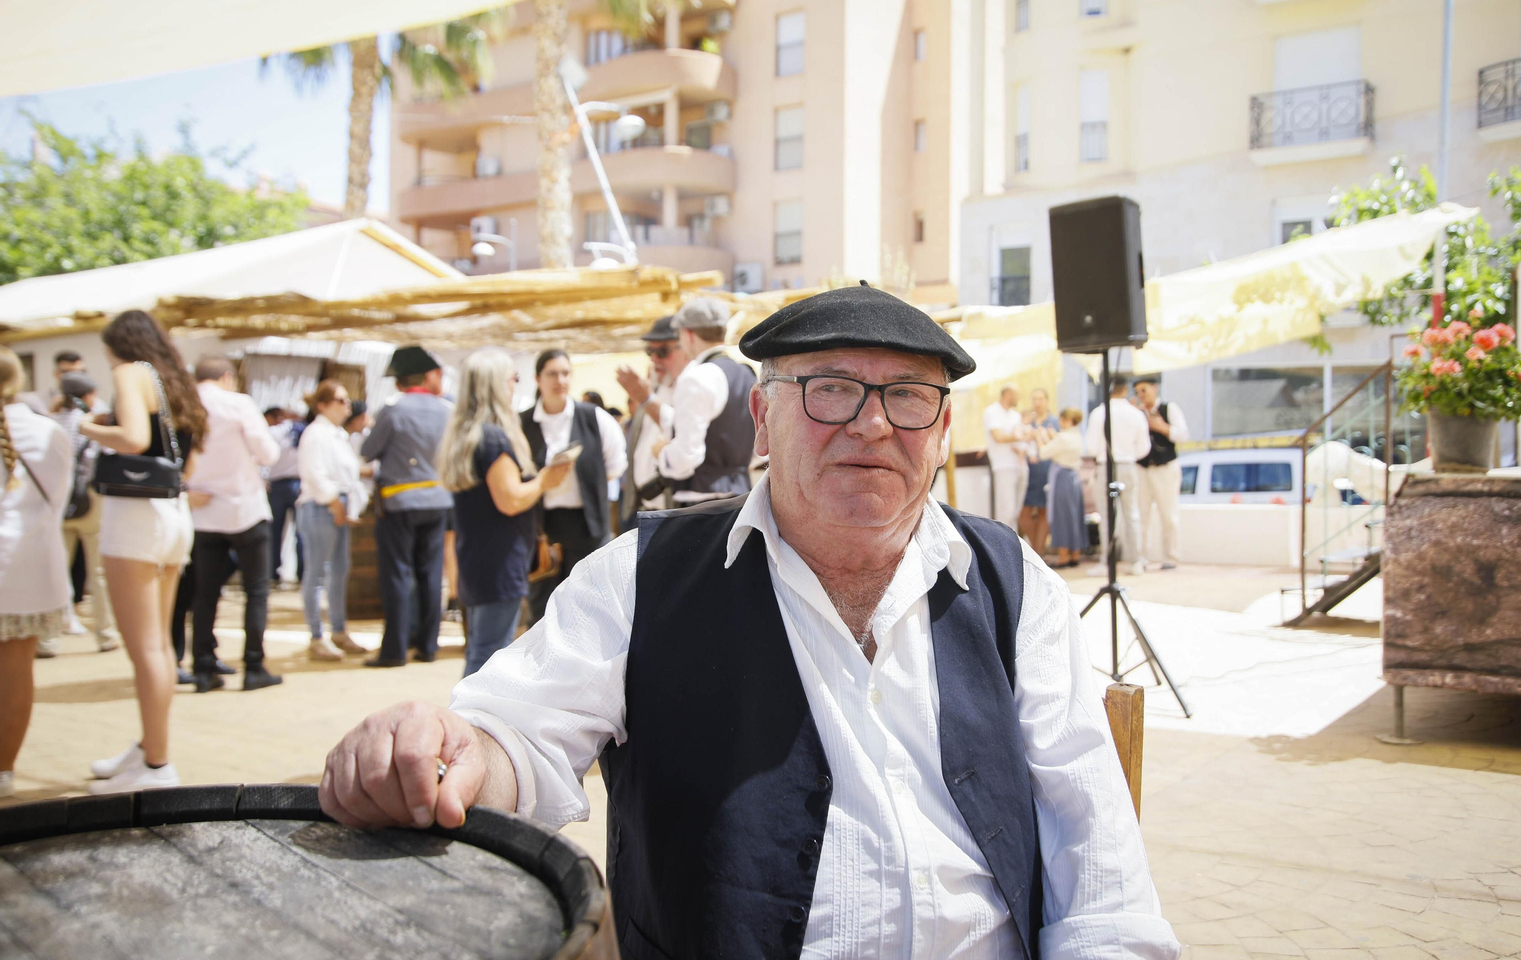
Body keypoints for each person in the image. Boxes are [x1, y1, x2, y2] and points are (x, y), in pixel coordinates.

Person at [319, 282, 1179, 960]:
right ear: (764, 416)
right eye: (831, 389)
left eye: (910, 397)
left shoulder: (1011, 580)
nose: (873, 424)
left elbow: (1097, 869)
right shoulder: (642, 577)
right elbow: (519, 735)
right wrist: (453, 752)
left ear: (943, 428)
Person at [78, 309, 209, 794]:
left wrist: (88, 427)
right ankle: (148, 748)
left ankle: (156, 764)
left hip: (136, 520)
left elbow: (133, 438)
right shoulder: (175, 380)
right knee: (160, 645)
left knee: (148, 648)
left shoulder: (130, 374)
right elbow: (191, 451)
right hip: (174, 514)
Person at [438, 349, 572, 676]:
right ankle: (468, 724)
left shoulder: (467, 435)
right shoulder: (493, 438)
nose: (515, 385)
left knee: (482, 647)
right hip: (498, 560)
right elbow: (510, 499)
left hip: (478, 557)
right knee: (488, 654)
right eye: (513, 378)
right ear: (497, 385)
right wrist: (544, 480)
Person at [0, 345, 74, 800]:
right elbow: (59, 503)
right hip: (28, 570)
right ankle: (4, 770)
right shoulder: (48, 431)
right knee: (15, 672)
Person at [184, 357, 283, 692]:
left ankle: (202, 668)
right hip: (245, 509)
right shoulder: (238, 403)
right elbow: (268, 452)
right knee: (255, 590)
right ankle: (254, 666)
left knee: (205, 594)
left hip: (203, 511)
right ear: (226, 377)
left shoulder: (182, 403)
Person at [518, 349, 627, 623]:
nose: (560, 380)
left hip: (586, 523)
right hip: (542, 525)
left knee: (588, 607)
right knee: (542, 606)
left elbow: (615, 465)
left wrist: (588, 489)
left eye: (565, 373)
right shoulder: (522, 422)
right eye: (552, 373)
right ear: (537, 378)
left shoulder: (594, 417)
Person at [362, 346, 453, 667]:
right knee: (431, 574)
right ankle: (428, 646)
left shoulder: (393, 409)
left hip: (399, 501)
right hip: (439, 500)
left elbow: (369, 450)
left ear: (399, 381)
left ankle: (394, 651)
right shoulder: (447, 409)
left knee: (397, 575)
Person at [650, 297, 756, 506]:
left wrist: (661, 452)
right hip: (742, 497)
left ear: (688, 334)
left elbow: (687, 456)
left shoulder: (695, 377)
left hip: (701, 504)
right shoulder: (746, 373)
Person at [45, 370, 119, 654]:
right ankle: (106, 633)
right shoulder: (90, 422)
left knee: (56, 570)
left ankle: (48, 637)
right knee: (98, 573)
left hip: (57, 503)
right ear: (86, 395)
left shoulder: (51, 422)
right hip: (90, 502)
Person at [297, 380, 369, 662]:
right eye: (341, 400)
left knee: (339, 571)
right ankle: (317, 635)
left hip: (335, 505)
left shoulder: (335, 434)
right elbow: (314, 473)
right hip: (321, 506)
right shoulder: (316, 434)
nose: (346, 405)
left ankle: (338, 630)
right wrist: (334, 502)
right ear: (323, 405)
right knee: (317, 573)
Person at [615, 315, 690, 528]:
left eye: (663, 352)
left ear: (685, 347)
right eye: (651, 352)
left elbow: (680, 432)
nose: (655, 359)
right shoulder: (655, 388)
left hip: (673, 514)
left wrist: (646, 399)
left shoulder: (693, 391)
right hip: (640, 510)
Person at [1083, 375, 1151, 576]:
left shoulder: (1099, 413)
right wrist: (1128, 455)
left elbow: (1092, 446)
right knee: (1132, 513)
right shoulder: (1135, 414)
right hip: (1128, 465)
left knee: (1106, 516)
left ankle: (1106, 561)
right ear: (1125, 390)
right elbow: (1144, 447)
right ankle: (1136, 561)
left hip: (1106, 466)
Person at [1133, 378, 1189, 571]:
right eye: (1138, 392)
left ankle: (1171, 556)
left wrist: (1161, 427)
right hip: (1142, 468)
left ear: (1154, 389)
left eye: (1144, 390)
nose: (1141, 395)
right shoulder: (1137, 414)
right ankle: (1141, 557)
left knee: (1169, 513)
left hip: (1165, 467)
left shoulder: (1168, 409)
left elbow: (1183, 435)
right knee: (1141, 514)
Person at [1041, 407, 1088, 567]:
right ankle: (1075, 554)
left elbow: (1044, 453)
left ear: (1068, 420)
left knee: (1062, 516)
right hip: (1073, 477)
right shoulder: (1077, 436)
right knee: (1074, 516)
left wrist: (1039, 437)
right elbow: (1059, 449)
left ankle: (1063, 556)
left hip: (1062, 478)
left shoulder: (1063, 437)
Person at [264, 407, 304, 585]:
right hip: (297, 484)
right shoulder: (305, 430)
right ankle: (303, 573)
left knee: (274, 531)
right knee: (301, 531)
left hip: (276, 484)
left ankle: (272, 572)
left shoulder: (272, 432)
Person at [1017, 387, 1058, 556]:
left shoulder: (1053, 422)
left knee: (1044, 510)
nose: (1038, 402)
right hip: (1028, 470)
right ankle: (1036, 549)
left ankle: (1039, 551)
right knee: (1023, 513)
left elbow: (1057, 444)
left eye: (1041, 399)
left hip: (1047, 468)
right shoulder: (1027, 422)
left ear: (1047, 401)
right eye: (1035, 399)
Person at [983, 384, 1029, 530]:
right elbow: (997, 437)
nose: (1019, 398)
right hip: (1003, 466)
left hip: (1021, 466)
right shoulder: (992, 411)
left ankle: (1013, 547)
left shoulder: (1015, 415)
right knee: (1006, 511)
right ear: (1008, 394)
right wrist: (1017, 437)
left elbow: (1023, 438)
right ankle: (1004, 549)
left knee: (1016, 512)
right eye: (1017, 394)